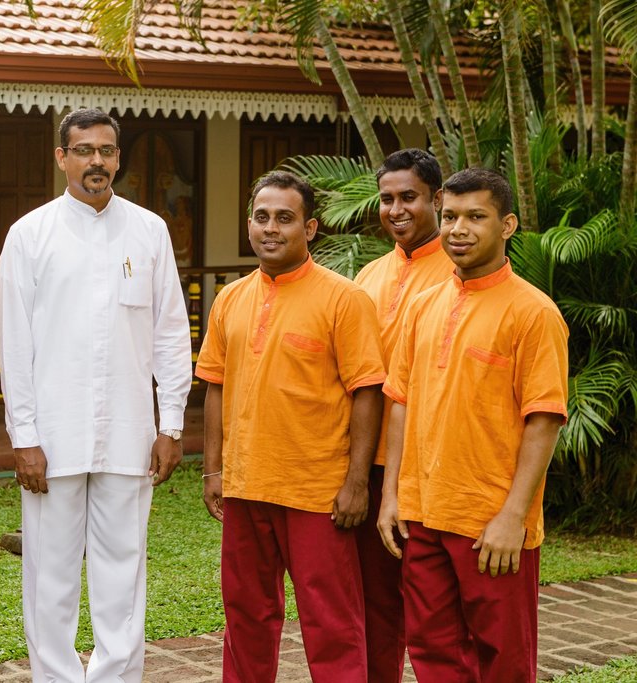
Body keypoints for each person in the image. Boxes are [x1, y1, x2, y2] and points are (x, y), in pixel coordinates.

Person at [0, 108, 192, 683]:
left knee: (122, 575)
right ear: (62, 158)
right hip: (52, 438)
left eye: (106, 150)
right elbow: (16, 344)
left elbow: (170, 333)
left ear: (118, 157)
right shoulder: (30, 235)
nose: (96, 161)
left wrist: (171, 424)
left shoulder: (149, 231)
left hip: (129, 435)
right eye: (83, 150)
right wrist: (24, 437)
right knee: (50, 576)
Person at [378, 168, 568, 681]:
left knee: (503, 659)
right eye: (450, 217)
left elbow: (544, 420)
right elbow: (400, 402)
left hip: (490, 525)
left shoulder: (534, 313)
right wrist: (392, 496)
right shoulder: (423, 306)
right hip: (422, 515)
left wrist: (513, 517)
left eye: (475, 217)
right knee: (432, 652)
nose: (458, 229)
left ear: (507, 225)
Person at [196, 170, 385, 682]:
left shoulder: (344, 299)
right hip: (246, 486)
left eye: (285, 218)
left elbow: (367, 392)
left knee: (331, 621)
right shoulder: (230, 298)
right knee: (246, 616)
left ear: (311, 228)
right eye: (261, 217)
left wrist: (356, 482)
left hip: (317, 492)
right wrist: (213, 471)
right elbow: (215, 386)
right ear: (248, 225)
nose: (271, 228)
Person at [352, 148, 452, 682]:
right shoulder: (369, 275)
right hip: (371, 463)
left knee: (435, 610)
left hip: (431, 466)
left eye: (409, 197)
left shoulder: (458, 271)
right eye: (387, 198)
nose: (395, 210)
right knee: (376, 603)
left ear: (437, 199)